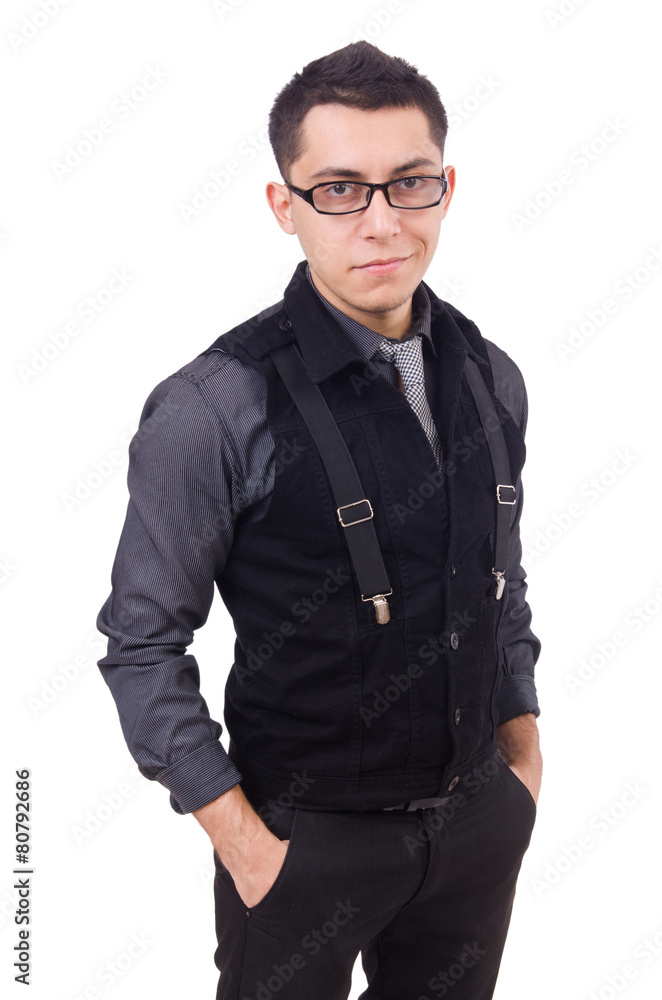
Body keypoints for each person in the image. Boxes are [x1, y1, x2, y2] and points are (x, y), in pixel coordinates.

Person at [96, 41, 542, 1000]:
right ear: (283, 205)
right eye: (339, 189)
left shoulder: (491, 374)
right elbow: (141, 645)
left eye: (408, 183)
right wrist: (249, 848)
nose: (381, 221)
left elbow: (499, 582)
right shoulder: (212, 407)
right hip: (302, 848)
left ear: (445, 187)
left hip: (476, 831)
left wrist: (521, 765)